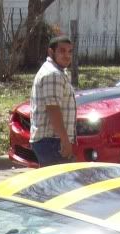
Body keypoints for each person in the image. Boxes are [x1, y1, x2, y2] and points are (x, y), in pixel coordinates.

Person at [30, 36, 76, 166]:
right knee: (60, 185)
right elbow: (53, 109)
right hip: (51, 141)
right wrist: (65, 140)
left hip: (51, 141)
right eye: (62, 51)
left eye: (70, 51)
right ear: (51, 52)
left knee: (54, 184)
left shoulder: (57, 72)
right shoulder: (53, 75)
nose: (67, 55)